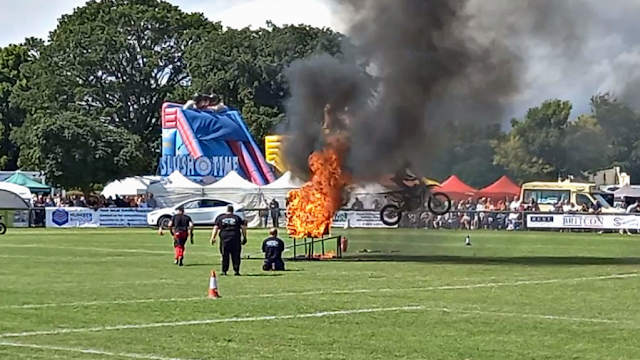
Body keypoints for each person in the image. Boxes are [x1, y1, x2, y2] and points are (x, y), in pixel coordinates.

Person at [210, 205, 247, 275]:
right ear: (233, 211)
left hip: (224, 238)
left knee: (224, 255)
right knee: (236, 255)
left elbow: (215, 228)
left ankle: (224, 271)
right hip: (235, 237)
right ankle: (236, 270)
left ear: (226, 210)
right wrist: (244, 237)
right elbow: (243, 228)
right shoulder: (237, 218)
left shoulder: (220, 218)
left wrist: (213, 237)